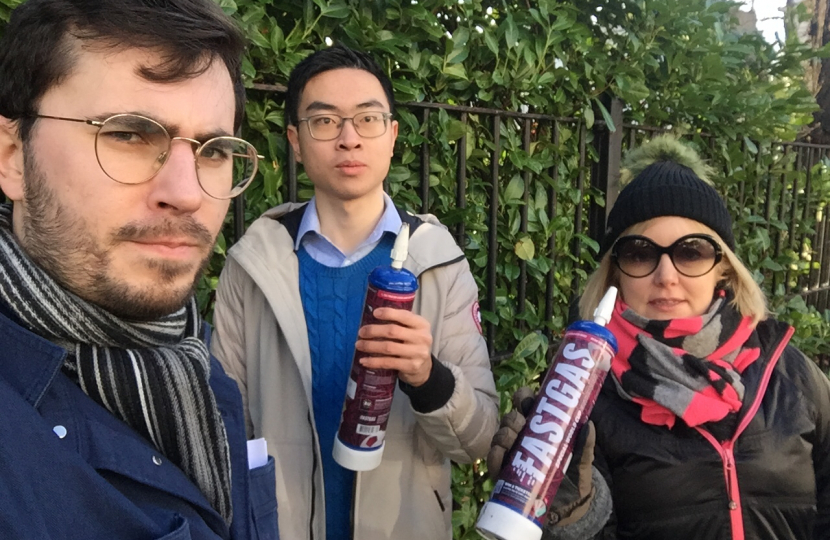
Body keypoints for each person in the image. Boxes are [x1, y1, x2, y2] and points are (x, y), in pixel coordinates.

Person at [0, 1, 278, 538]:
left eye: (214, 150)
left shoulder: (197, 361)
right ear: (12, 155)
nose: (188, 193)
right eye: (128, 134)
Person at [211, 44, 499, 540]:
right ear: (295, 142)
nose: (349, 139)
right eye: (324, 122)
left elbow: (478, 441)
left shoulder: (438, 263)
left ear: (391, 137)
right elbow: (220, 430)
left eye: (367, 119)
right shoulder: (252, 266)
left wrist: (427, 376)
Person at [489, 135, 830, 539]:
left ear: (723, 266)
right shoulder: (582, 388)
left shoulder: (788, 372)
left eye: (692, 251)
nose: (665, 275)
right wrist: (573, 515)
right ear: (614, 272)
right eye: (639, 253)